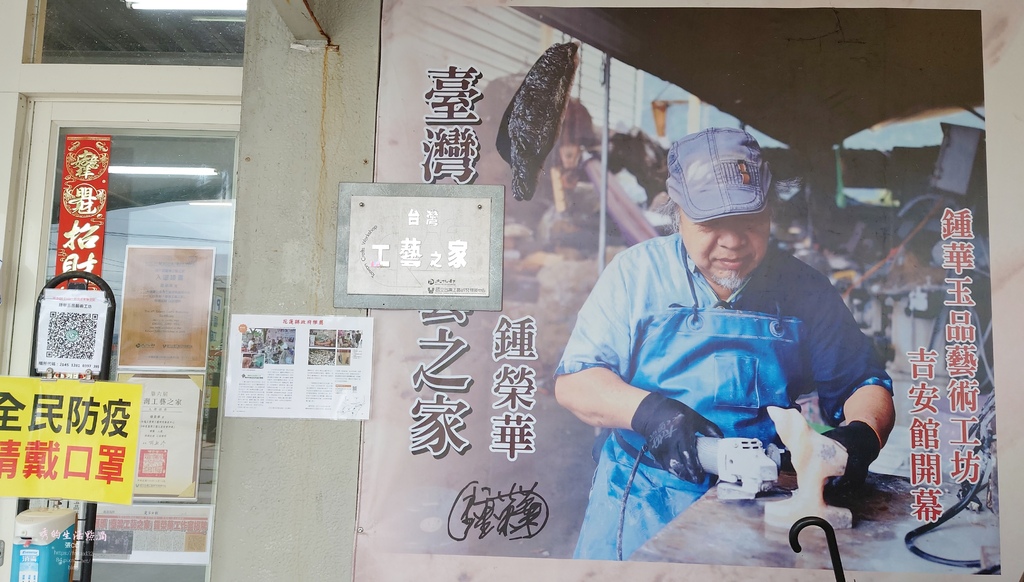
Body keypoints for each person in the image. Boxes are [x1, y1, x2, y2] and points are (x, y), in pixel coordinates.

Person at [554, 127, 895, 561]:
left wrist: (862, 435)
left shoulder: (805, 290)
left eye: (751, 223)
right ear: (677, 212)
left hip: (763, 504)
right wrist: (650, 413)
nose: (733, 243)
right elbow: (576, 382)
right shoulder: (635, 275)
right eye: (710, 225)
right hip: (643, 500)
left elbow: (864, 384)